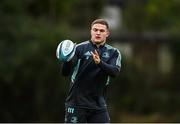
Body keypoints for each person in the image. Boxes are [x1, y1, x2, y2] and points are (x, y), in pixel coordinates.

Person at [61, 19, 121, 123]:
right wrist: (66, 60)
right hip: (76, 104)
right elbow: (65, 73)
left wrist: (99, 63)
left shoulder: (113, 52)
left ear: (107, 33)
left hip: (98, 106)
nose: (98, 33)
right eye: (95, 30)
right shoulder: (79, 48)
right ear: (91, 31)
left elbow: (114, 72)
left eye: (102, 31)